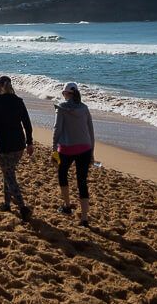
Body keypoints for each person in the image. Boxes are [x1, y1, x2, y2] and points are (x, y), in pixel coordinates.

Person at [0, 76, 34, 221]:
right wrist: (30, 143)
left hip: (4, 145)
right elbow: (27, 124)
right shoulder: (18, 101)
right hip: (19, 146)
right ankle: (7, 204)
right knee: (7, 172)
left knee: (9, 175)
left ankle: (22, 207)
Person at [52, 82, 95, 226]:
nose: (63, 96)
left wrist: (53, 148)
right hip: (85, 148)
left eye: (63, 93)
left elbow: (57, 129)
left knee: (62, 175)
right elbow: (91, 132)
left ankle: (67, 206)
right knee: (82, 182)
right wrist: (92, 152)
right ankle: (84, 218)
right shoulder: (84, 108)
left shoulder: (61, 108)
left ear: (66, 94)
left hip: (66, 148)